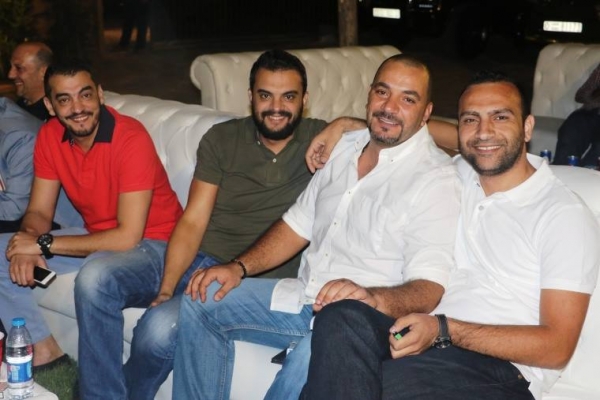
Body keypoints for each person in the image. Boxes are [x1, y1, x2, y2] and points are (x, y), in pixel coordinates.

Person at [172, 54, 461, 399]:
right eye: (383, 92)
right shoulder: (344, 147)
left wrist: (371, 297)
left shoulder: (435, 179)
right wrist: (239, 267)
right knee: (201, 298)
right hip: (304, 296)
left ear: (427, 113)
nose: (389, 107)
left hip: (363, 323)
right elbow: (297, 225)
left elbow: (429, 288)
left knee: (315, 357)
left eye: (407, 99)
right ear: (369, 95)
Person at [301, 70, 600, 400]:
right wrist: (347, 124)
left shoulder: (562, 214)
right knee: (342, 317)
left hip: (501, 371)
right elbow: (409, 126)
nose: (484, 132)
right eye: (471, 119)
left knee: (361, 384)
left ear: (528, 127)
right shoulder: (456, 175)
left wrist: (445, 329)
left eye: (500, 117)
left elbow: (557, 347)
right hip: (421, 340)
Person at [122, 49, 364, 400]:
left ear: (305, 100)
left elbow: (390, 130)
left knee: (160, 329)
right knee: (152, 329)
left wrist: (341, 123)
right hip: (209, 264)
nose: (276, 107)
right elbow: (193, 220)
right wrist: (167, 288)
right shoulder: (222, 139)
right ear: (251, 97)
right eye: (266, 95)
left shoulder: (321, 140)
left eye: (289, 97)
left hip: (269, 281)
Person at [0, 61, 183, 399]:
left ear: (99, 94)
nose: (78, 108)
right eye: (64, 99)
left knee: (97, 276)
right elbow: (39, 211)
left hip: (157, 247)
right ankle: (44, 351)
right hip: (99, 239)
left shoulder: (130, 137)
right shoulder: (50, 136)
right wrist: (27, 243)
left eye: (85, 95)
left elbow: (127, 236)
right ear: (50, 106)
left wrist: (42, 244)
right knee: (3, 249)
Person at [553, 63, 600, 166]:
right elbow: (580, 96)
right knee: (572, 128)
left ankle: (587, 173)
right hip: (591, 113)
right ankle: (562, 170)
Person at [8, 41, 53, 120]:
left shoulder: (55, 113)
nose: (10, 75)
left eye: (19, 68)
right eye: (11, 67)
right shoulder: (14, 108)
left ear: (44, 72)